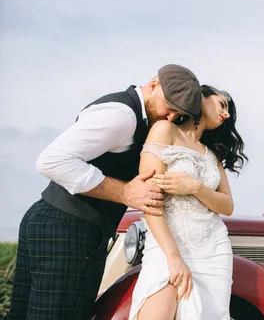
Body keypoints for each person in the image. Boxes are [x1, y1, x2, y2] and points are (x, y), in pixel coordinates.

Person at [9, 64, 203, 320]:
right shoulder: (123, 116)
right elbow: (51, 161)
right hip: (68, 230)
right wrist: (125, 193)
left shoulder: (127, 112)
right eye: (170, 106)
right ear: (154, 85)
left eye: (178, 114)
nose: (170, 117)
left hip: (52, 221)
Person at [128, 84, 247, 320]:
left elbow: (227, 206)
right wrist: (173, 256)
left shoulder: (212, 154)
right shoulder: (165, 130)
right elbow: (148, 200)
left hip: (213, 251)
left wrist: (195, 187)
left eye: (228, 115)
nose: (225, 115)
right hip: (167, 247)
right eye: (222, 105)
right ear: (201, 95)